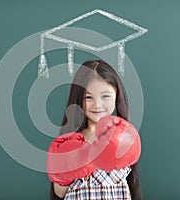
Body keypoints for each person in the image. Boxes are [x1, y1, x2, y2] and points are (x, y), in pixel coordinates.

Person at [48, 59, 143, 200]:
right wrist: (64, 172)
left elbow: (131, 183)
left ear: (117, 95)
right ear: (78, 99)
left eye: (105, 96)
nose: (97, 104)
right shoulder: (70, 142)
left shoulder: (123, 135)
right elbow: (60, 193)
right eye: (88, 97)